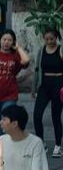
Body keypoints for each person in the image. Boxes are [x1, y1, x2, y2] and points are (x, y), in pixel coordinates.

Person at [0, 29, 30, 136]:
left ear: (13, 42)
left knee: (8, 121)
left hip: (10, 94)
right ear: (0, 41)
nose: (6, 42)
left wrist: (18, 48)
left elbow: (26, 61)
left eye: (9, 40)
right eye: (4, 39)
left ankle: (7, 146)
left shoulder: (15, 55)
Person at [32, 27, 63, 157]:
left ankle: (58, 145)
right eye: (47, 39)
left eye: (52, 39)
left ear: (56, 37)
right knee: (37, 115)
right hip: (44, 85)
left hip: (58, 84)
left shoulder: (61, 50)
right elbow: (37, 69)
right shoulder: (41, 50)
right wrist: (34, 88)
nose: (49, 41)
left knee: (56, 116)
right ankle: (41, 143)